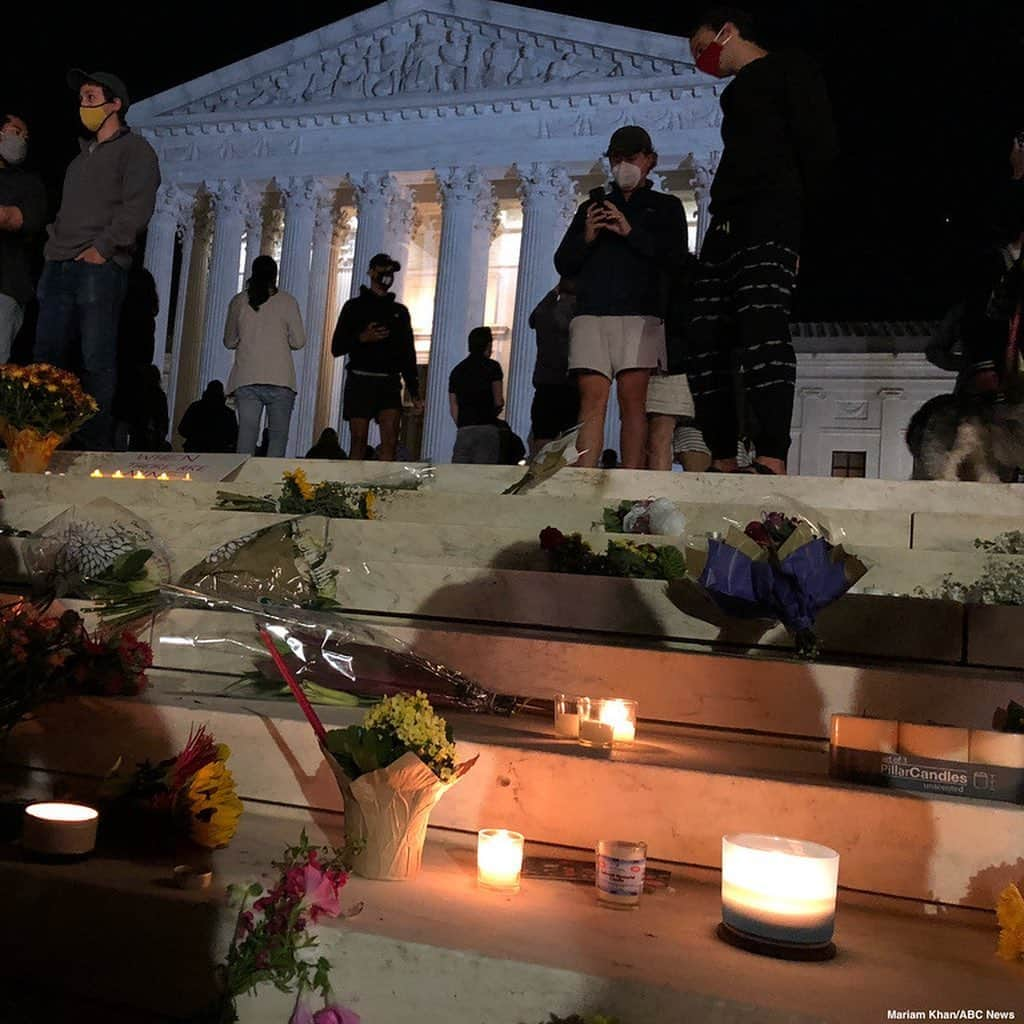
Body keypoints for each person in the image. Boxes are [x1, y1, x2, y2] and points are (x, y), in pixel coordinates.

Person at [686, 8, 838, 475]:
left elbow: (818, 149)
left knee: (761, 330)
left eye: (702, 46)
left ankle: (771, 454)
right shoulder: (733, 96)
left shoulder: (791, 69)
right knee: (703, 336)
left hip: (771, 219)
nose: (700, 59)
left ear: (727, 32)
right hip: (725, 223)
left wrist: (798, 239)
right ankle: (723, 455)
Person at [33, 70, 161, 451]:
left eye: (90, 97)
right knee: (46, 360)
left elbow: (137, 206)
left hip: (98, 266)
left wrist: (102, 250)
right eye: (82, 99)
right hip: (58, 263)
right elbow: (65, 210)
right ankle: (40, 437)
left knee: (95, 357)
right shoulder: (79, 159)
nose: (83, 106)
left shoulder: (136, 150)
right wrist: (52, 246)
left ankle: (91, 445)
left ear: (114, 103)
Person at [554, 126, 686, 469]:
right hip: (591, 312)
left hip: (640, 314)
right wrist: (587, 235)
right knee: (591, 402)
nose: (623, 164)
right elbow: (563, 263)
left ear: (649, 161)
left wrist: (631, 232)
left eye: (631, 157)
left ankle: (631, 482)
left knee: (633, 402)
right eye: (616, 158)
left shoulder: (666, 207)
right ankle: (583, 478)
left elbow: (676, 260)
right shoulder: (592, 208)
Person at [331, 253, 422, 461]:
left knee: (390, 440)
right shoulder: (354, 307)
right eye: (383, 270)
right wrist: (362, 337)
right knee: (358, 440)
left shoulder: (399, 312)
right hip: (360, 379)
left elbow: (408, 352)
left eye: (391, 272)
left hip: (388, 380)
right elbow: (337, 347)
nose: (388, 276)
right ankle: (353, 490)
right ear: (371, 272)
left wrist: (414, 389)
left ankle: (383, 491)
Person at [224, 255, 306, 458]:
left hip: (247, 377)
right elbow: (299, 341)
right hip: (280, 379)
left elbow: (229, 341)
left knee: (246, 438)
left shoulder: (239, 301)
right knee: (277, 440)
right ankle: (271, 486)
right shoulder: (287, 301)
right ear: (275, 276)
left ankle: (243, 484)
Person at [0, 112, 46, 364]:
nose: (21, 140)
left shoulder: (29, 184)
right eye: (16, 132)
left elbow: (12, 219)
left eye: (26, 137)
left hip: (5, 287)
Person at [647, 252, 699, 470]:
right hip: (681, 364)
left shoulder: (664, 276)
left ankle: (655, 498)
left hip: (667, 365)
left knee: (659, 438)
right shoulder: (695, 278)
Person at [528, 277, 578, 453]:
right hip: (570, 384)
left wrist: (554, 291)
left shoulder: (545, 313)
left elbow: (532, 319)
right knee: (569, 445)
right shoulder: (580, 314)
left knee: (542, 440)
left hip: (545, 385)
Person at [448, 326, 505, 464]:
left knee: (460, 476)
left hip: (464, 430)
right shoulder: (493, 367)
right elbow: (498, 401)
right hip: (486, 429)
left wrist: (463, 423)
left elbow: (453, 406)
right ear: (488, 345)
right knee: (482, 476)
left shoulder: (457, 370)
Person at [178, 380, 238, 453]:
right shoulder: (228, 413)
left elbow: (182, 429)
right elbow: (233, 436)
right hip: (219, 452)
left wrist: (196, 437)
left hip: (194, 449)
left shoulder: (194, 407)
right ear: (221, 393)